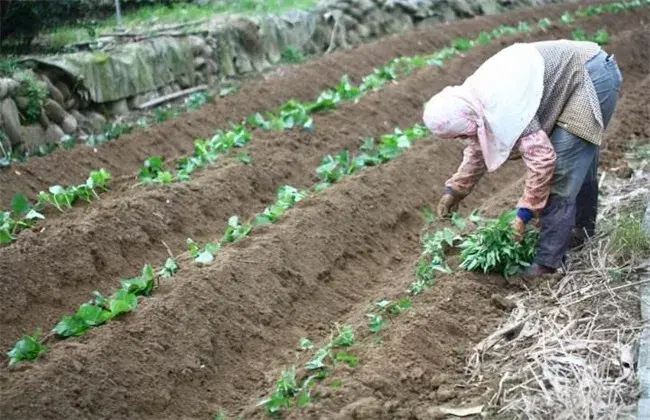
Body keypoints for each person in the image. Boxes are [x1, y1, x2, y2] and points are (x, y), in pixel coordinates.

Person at [422, 39, 622, 277]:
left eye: (462, 134)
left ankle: (547, 264)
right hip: (571, 74)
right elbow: (478, 145)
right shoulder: (471, 102)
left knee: (564, 170)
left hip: (589, 75)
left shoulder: (504, 106)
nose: (462, 139)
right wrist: (455, 190)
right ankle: (580, 231)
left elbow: (543, 160)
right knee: (575, 161)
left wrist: (524, 213)